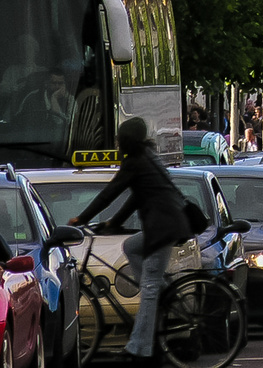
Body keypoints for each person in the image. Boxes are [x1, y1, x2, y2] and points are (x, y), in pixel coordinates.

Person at [70, 118, 192, 368]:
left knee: (147, 289)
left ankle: (140, 350)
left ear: (126, 142)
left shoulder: (135, 161)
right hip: (165, 224)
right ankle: (165, 293)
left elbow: (110, 192)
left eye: (119, 140)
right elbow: (137, 196)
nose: (117, 144)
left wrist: (82, 218)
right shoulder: (146, 156)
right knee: (130, 248)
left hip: (163, 228)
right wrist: (113, 222)